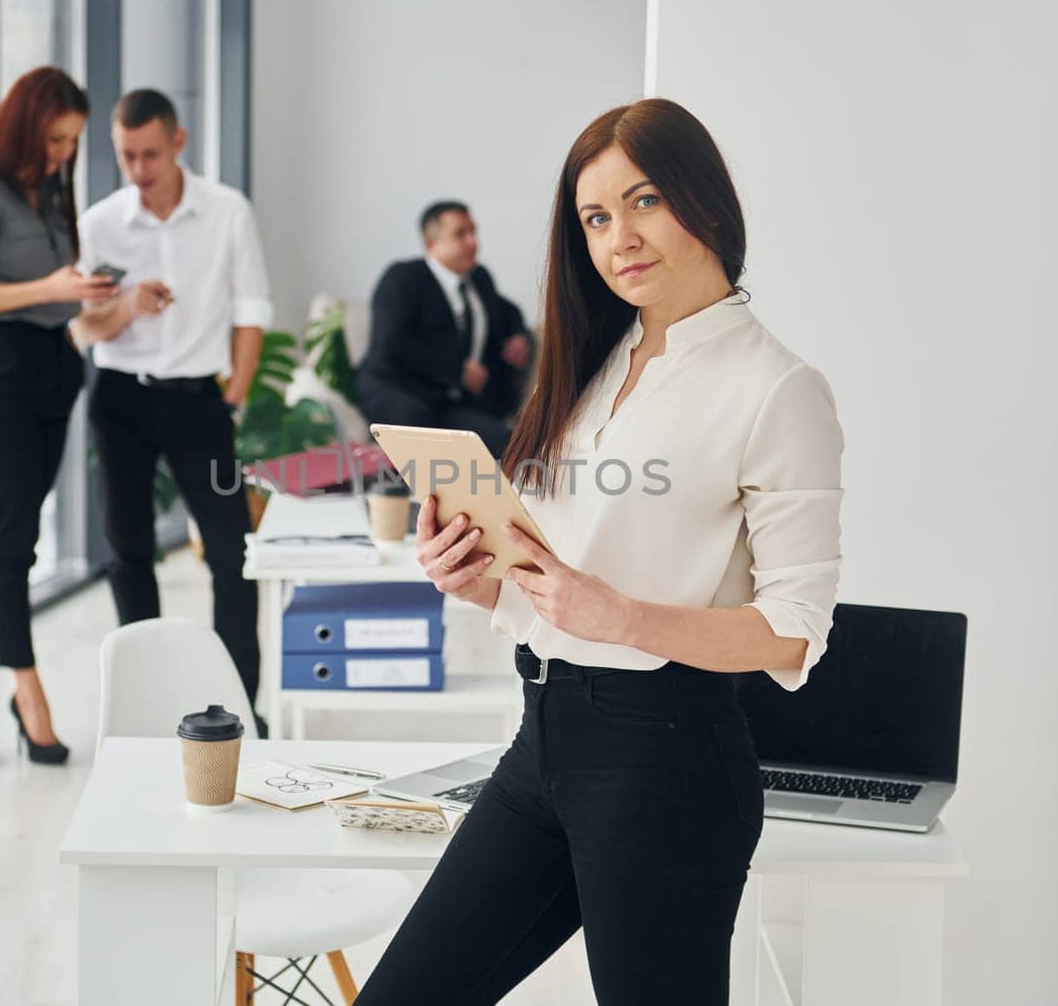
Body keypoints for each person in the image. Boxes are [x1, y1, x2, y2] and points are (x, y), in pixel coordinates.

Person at [357, 99, 844, 1004]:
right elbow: (560, 572)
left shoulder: (780, 391)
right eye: (595, 217)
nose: (620, 235)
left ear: (704, 198)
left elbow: (794, 631)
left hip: (667, 767)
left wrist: (620, 616)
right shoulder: (594, 362)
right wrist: (476, 580)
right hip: (541, 746)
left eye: (644, 199)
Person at [70, 89, 272, 729]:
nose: (138, 168)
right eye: (126, 155)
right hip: (121, 399)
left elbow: (251, 308)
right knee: (127, 549)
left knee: (231, 549)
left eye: (150, 153)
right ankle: (149, 701)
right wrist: (127, 306)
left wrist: (233, 392)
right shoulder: (100, 222)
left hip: (199, 402)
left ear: (178, 142)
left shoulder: (226, 211)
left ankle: (240, 706)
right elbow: (81, 329)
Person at [0, 66, 116, 766]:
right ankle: (29, 691)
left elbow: (60, 306)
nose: (65, 152)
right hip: (3, 379)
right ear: (24, 127)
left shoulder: (50, 196)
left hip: (55, 370)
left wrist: (108, 299)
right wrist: (50, 285)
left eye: (73, 141)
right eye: (55, 139)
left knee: (1, 532)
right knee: (15, 540)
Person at [355, 201, 534, 456]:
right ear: (431, 243)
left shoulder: (479, 278)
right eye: (461, 234)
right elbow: (392, 343)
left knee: (508, 442)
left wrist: (519, 336)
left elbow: (508, 311)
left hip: (447, 401)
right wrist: (457, 369)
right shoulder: (403, 278)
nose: (473, 242)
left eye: (474, 232)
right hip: (395, 389)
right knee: (419, 427)